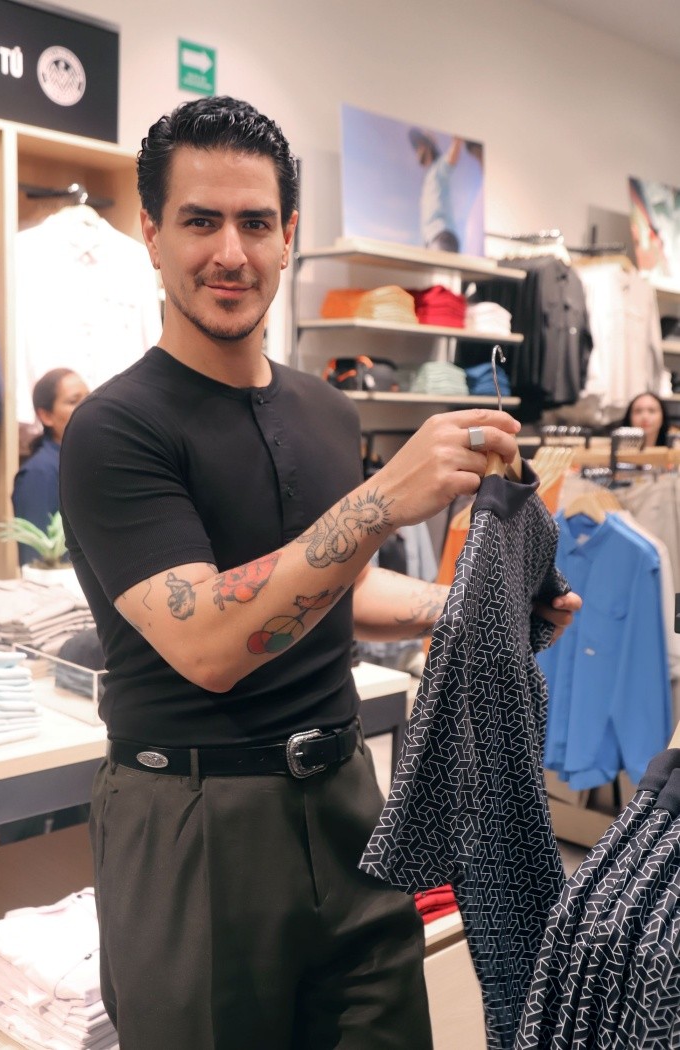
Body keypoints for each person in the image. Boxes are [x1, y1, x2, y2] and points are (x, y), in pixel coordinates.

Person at [59, 96, 581, 1050]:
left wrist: (468, 609)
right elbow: (210, 641)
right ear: (152, 234)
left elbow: (335, 592)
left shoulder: (326, 413)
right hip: (195, 825)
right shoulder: (114, 429)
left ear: (289, 234)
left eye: (255, 222)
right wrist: (383, 498)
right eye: (201, 221)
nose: (231, 253)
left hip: (348, 801)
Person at [12, 367, 88, 566]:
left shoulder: (84, 460)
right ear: (46, 416)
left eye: (89, 397)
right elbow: (35, 559)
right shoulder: (39, 473)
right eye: (73, 401)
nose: (87, 406)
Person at [408, 128, 483, 253]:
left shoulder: (438, 167)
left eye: (419, 145)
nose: (417, 149)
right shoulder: (428, 177)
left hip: (441, 236)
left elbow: (451, 159)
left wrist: (457, 140)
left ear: (427, 146)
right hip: (431, 240)